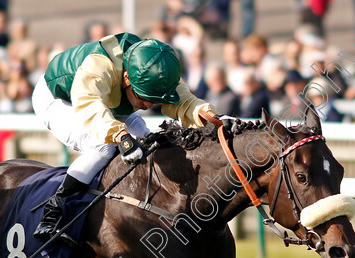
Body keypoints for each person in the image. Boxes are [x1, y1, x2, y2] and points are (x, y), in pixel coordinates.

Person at [31, 33, 216, 243]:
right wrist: (119, 135)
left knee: (150, 141)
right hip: (61, 98)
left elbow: (183, 100)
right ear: (127, 77)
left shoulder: (154, 67)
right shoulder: (99, 66)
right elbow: (90, 105)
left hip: (108, 99)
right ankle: (53, 213)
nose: (148, 106)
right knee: (103, 146)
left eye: (152, 101)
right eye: (144, 98)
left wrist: (207, 115)